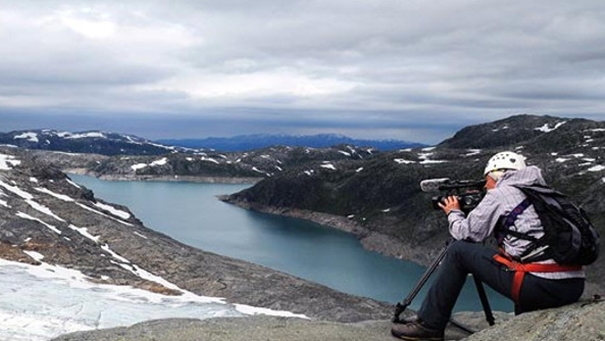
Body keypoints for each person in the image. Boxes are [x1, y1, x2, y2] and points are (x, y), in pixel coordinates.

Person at [391, 151, 585, 341]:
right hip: (572, 286)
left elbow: (465, 233)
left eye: (487, 180)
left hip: (539, 286)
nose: (485, 185)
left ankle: (429, 326)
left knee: (458, 251)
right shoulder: (544, 193)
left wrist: (453, 212)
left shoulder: (502, 193)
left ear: (497, 175)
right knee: (524, 258)